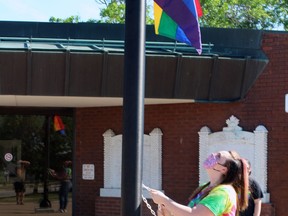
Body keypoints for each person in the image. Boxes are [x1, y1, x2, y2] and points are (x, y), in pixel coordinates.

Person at [149, 150, 249, 216]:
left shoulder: (223, 192)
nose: (213, 155)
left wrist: (165, 200)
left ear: (223, 169)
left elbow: (195, 214)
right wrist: (169, 212)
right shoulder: (204, 187)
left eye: (218, 156)